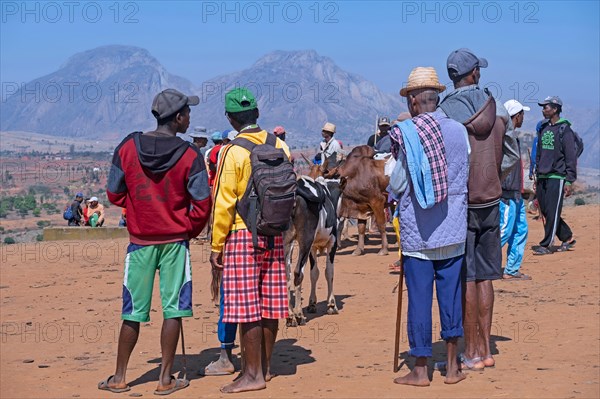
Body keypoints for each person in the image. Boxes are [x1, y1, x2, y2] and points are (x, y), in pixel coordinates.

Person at [101, 88, 211, 395]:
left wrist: (137, 210)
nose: (190, 117)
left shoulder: (127, 147)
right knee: (173, 309)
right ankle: (164, 379)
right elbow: (203, 203)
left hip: (140, 242)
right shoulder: (191, 156)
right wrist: (186, 228)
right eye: (188, 113)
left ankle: (120, 377)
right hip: (175, 242)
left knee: (132, 310)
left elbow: (113, 193)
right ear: (178, 118)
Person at [437, 48, 520, 370]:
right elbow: (511, 158)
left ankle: (470, 352)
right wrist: (491, 178)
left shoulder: (445, 115)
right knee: (486, 277)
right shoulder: (497, 114)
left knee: (466, 278)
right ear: (474, 74)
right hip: (491, 201)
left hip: (461, 204)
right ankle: (485, 350)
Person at [390, 67, 469, 386]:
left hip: (418, 235)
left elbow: (397, 182)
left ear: (412, 103)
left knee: (420, 299)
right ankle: (452, 368)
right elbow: (465, 168)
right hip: (453, 229)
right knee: (450, 298)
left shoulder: (405, 133)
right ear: (436, 100)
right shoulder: (458, 130)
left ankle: (421, 370)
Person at [210, 87, 290, 393]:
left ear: (231, 119)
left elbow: (223, 203)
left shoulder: (233, 152)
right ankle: (266, 369)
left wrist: (217, 246)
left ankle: (251, 374)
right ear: (257, 114)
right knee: (270, 305)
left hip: (243, 235)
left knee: (246, 309)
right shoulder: (279, 144)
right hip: (275, 233)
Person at [533, 96, 577, 255]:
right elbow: (539, 152)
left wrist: (569, 180)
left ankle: (546, 244)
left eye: (546, 107)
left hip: (557, 176)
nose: (543, 110)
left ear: (555, 109)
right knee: (545, 210)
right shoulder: (543, 127)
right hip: (542, 176)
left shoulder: (565, 129)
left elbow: (570, 156)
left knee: (552, 211)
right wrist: (536, 172)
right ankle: (567, 237)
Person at [500, 100, 531, 280]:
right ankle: (484, 266)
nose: (523, 118)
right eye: (521, 114)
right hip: (507, 193)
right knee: (504, 231)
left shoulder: (513, 137)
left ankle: (511, 269)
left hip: (516, 193)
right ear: (516, 115)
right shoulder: (504, 137)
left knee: (520, 230)